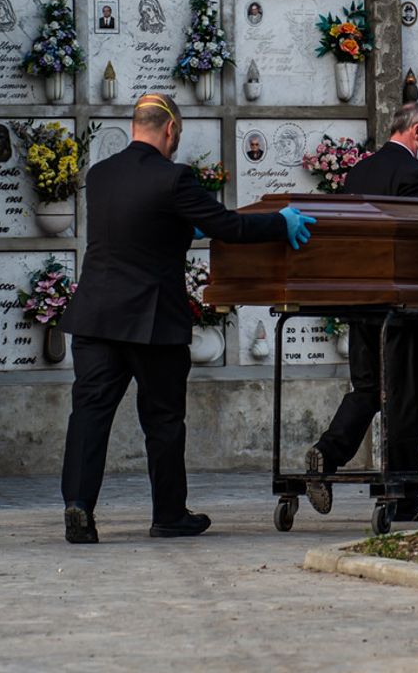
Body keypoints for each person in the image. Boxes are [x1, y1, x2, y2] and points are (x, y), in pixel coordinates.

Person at [59, 93, 315, 543]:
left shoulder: (100, 175)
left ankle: (78, 506)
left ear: (135, 124)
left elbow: (137, 228)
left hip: (96, 318)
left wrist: (181, 225)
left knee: (89, 415)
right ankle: (168, 515)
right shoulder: (174, 178)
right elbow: (228, 227)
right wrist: (280, 222)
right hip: (152, 320)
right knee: (162, 421)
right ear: (171, 130)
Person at [304, 102, 418, 521]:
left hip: (361, 301)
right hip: (401, 305)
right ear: (416, 132)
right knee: (404, 399)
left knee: (368, 388)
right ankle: (401, 495)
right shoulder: (415, 173)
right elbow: (414, 242)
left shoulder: (359, 171)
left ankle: (327, 454)